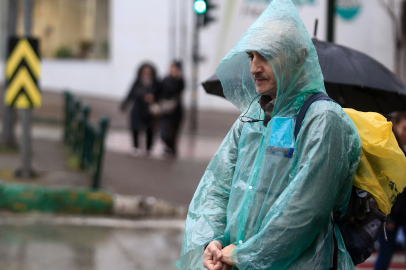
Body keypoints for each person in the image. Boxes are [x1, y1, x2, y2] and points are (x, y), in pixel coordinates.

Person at [178, 0, 362, 269]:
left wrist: (244, 256)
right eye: (251, 56)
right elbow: (218, 186)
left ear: (298, 56)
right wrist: (213, 242)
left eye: (266, 55)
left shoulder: (323, 119)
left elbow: (304, 211)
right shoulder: (253, 115)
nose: (254, 68)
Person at [374, 112, 406, 270]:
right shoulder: (388, 153)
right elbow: (380, 186)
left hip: (403, 213)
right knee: (385, 255)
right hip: (389, 214)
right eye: (404, 128)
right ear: (396, 127)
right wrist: (386, 216)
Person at [120, 63, 161, 156]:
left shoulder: (156, 83)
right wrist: (124, 105)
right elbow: (130, 93)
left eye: (148, 72)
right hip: (138, 108)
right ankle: (136, 146)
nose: (146, 74)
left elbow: (160, 94)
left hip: (149, 110)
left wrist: (153, 98)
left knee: (150, 129)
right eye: (145, 72)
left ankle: (148, 148)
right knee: (135, 127)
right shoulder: (137, 82)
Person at [160, 61, 185, 158]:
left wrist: (176, 78)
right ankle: (168, 147)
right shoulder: (165, 79)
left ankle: (172, 149)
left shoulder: (180, 80)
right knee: (164, 132)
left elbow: (177, 89)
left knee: (174, 132)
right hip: (165, 110)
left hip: (176, 111)